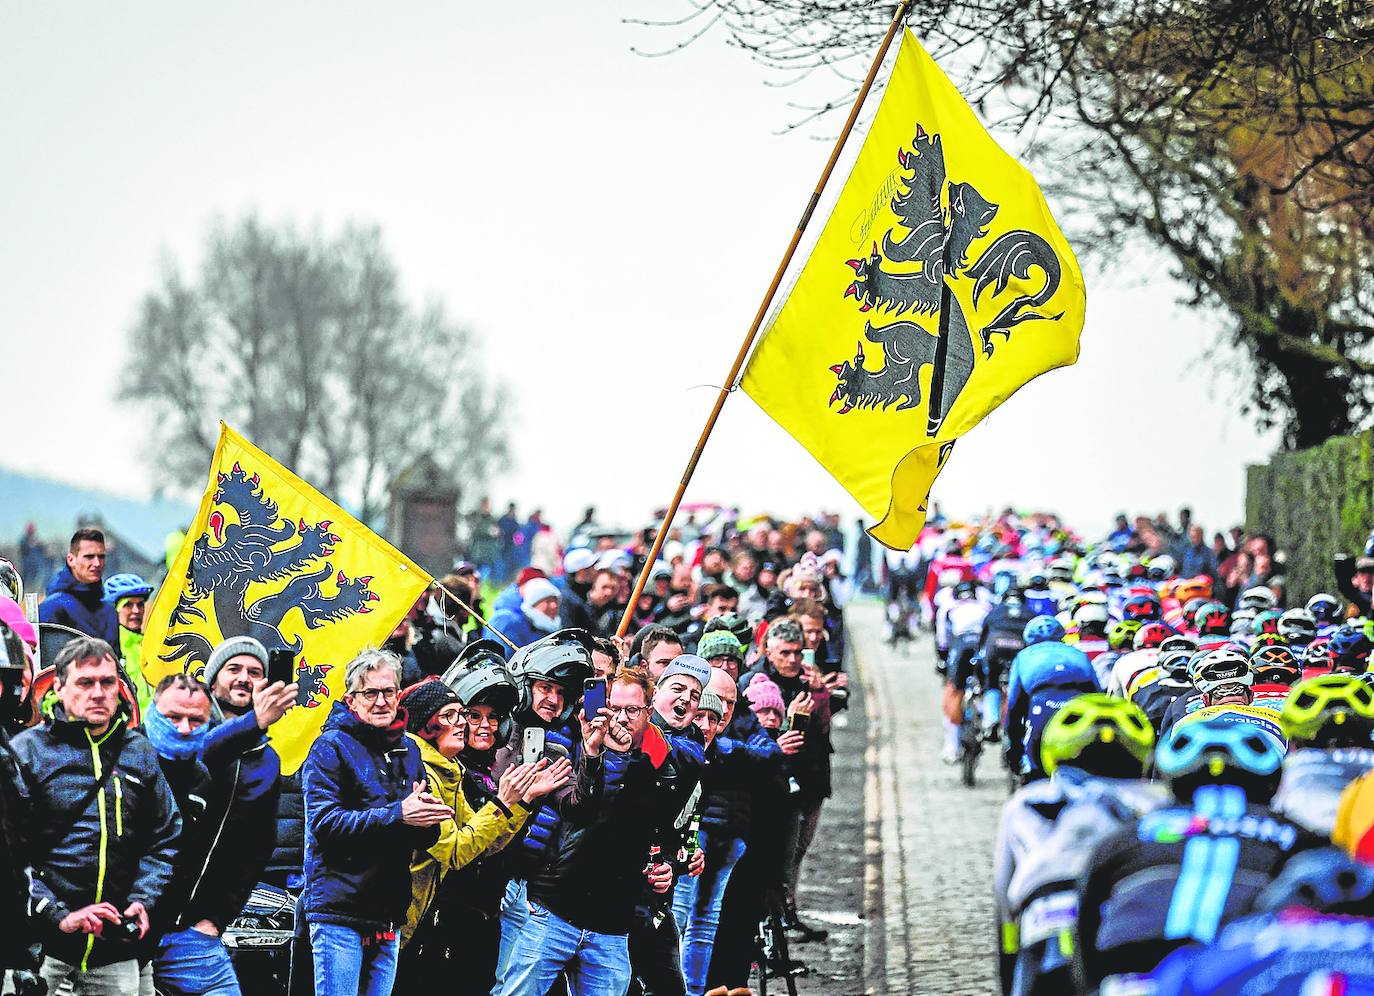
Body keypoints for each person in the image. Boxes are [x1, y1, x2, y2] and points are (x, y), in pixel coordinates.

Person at [1073, 718, 1316, 993]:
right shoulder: (1299, 837)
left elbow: (1085, 918)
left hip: (1130, 966)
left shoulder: (1128, 836)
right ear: (1270, 781)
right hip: (1244, 966)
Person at [499, 666, 685, 996]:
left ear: (649, 710)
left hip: (613, 927)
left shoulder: (664, 765)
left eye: (632, 710)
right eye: (615, 708)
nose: (623, 719)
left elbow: (668, 834)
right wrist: (599, 753)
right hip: (554, 910)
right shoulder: (576, 745)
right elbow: (583, 808)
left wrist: (670, 864)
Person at [12, 636, 181, 995]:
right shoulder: (27, 752)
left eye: (107, 682)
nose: (99, 693)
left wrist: (143, 899)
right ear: (58, 687)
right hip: (41, 951)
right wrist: (57, 914)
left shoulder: (139, 751)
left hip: (114, 949)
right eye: (86, 683)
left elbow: (166, 837)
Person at [395, 676, 571, 988]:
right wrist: (504, 802)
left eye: (463, 715)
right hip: (406, 926)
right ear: (425, 724)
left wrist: (522, 802)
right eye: (453, 715)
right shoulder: (419, 771)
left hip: (439, 922)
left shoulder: (451, 770)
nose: (464, 723)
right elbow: (456, 851)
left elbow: (483, 844)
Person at [302, 648, 454, 996]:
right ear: (350, 700)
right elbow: (325, 825)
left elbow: (423, 836)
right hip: (339, 910)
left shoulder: (408, 749)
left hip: (389, 910)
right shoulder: (329, 747)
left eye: (389, 692)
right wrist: (399, 814)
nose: (382, 701)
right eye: (371, 692)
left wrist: (427, 821)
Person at [993, 695, 1163, 996]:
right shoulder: (1157, 803)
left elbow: (1003, 892)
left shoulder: (1025, 801)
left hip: (1045, 914)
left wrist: (1010, 952)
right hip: (1128, 917)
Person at [156, 640, 296, 996]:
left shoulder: (268, 761)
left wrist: (217, 918)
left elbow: (258, 848)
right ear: (212, 680)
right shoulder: (188, 727)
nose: (244, 679)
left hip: (194, 931)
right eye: (233, 669)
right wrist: (254, 723)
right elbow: (195, 755)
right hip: (142, 915)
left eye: (255, 672)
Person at [1003, 616, 1098, 782]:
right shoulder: (1078, 654)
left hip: (1042, 706)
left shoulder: (1023, 656)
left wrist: (1014, 751)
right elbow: (1097, 693)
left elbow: (1013, 706)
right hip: (1078, 707)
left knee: (1034, 771)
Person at [39, 527, 118, 645]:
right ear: (71, 560)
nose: (97, 563)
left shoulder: (109, 611)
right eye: (89, 557)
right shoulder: (53, 608)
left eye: (101, 556)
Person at [102, 572, 155, 713]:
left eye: (140, 604)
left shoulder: (151, 647)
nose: (136, 611)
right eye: (128, 605)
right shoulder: (107, 650)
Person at [484, 577, 562, 653]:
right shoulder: (509, 622)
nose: (554, 606)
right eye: (548, 601)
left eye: (556, 601)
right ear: (533, 604)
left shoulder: (549, 629)